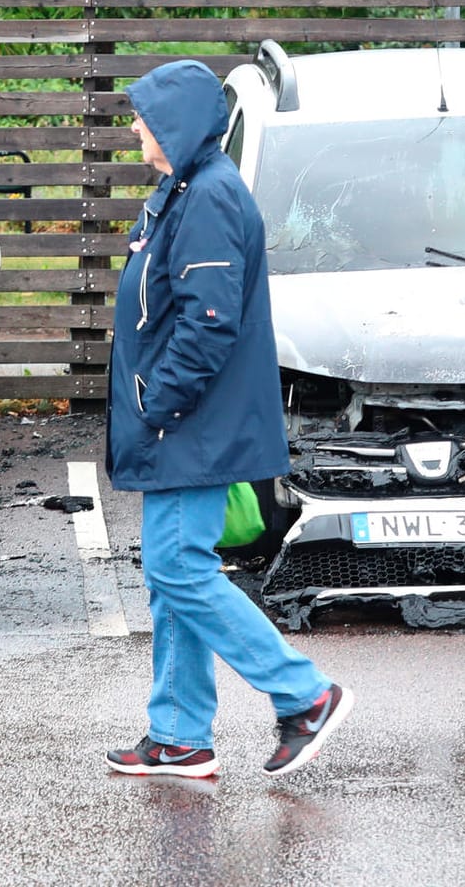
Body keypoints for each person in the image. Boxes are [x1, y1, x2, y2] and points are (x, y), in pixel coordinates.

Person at [104, 59, 353, 779]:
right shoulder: (183, 190)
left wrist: (158, 403)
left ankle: (303, 695)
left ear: (175, 124)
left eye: (143, 118)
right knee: (172, 575)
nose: (134, 128)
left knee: (180, 569)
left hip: (188, 425)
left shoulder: (208, 197)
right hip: (181, 425)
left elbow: (208, 321)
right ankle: (179, 735)